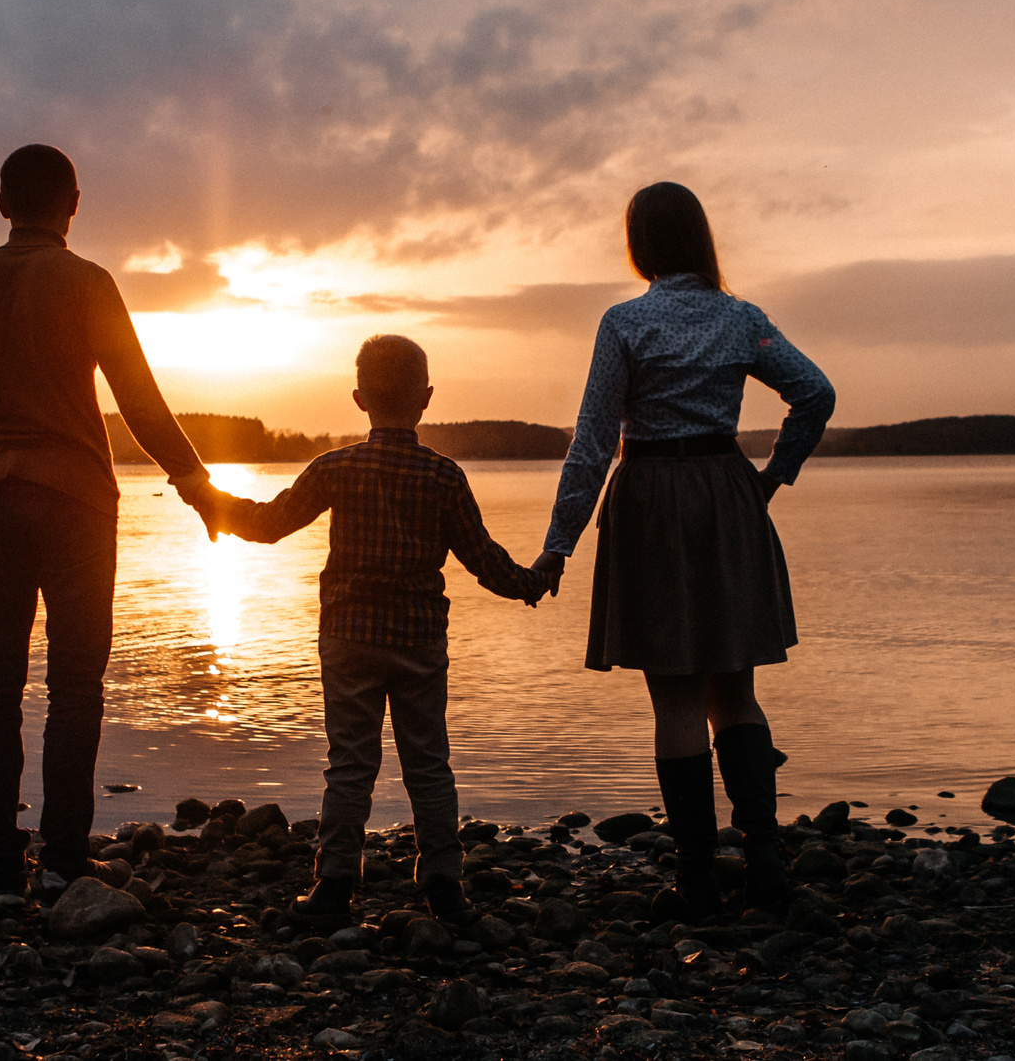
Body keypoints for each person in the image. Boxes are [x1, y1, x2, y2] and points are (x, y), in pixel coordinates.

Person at [532, 181, 835, 918]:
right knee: (734, 688)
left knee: (674, 697)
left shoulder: (625, 323)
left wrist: (557, 545)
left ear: (640, 244)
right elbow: (816, 392)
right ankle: (765, 863)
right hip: (725, 494)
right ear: (700, 237)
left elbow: (595, 442)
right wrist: (771, 475)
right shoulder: (741, 319)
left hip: (650, 502)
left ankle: (696, 878)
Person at [0, 143, 220, 897]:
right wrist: (195, 480)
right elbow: (138, 396)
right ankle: (61, 860)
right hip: (77, 501)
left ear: (1, 205)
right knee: (75, 686)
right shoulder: (89, 282)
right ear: (74, 203)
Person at [191, 334, 547, 924]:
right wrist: (531, 582)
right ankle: (443, 883)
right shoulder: (444, 476)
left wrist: (211, 502)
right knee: (429, 763)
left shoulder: (336, 468)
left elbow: (270, 523)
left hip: (350, 637)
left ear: (358, 399)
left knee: (350, 763)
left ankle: (334, 885)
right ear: (427, 398)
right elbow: (485, 560)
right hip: (419, 641)